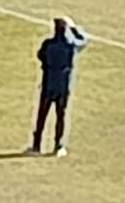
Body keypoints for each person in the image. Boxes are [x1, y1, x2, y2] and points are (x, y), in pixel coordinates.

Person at [28, 16, 88, 158]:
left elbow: (40, 55)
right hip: (62, 87)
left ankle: (36, 145)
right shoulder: (70, 45)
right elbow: (83, 40)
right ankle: (58, 145)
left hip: (48, 84)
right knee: (60, 116)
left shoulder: (48, 45)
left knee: (42, 116)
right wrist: (74, 28)